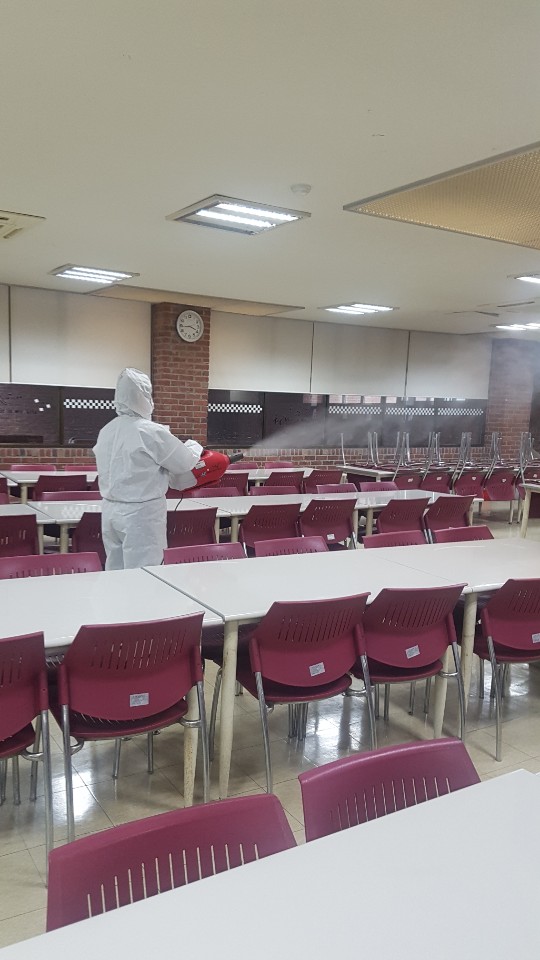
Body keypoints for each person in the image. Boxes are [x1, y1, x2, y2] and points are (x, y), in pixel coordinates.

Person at [93, 368, 203, 570]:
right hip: (141, 515)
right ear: (143, 397)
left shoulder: (106, 430)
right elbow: (184, 462)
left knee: (115, 569)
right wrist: (194, 446)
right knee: (145, 573)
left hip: (110, 512)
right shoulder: (149, 431)